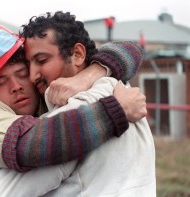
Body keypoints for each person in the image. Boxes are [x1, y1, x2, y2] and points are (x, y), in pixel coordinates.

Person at [0, 21, 147, 196]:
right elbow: (35, 144)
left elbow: (131, 49)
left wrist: (91, 74)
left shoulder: (53, 92)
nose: (17, 86)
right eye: (0, 81)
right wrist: (117, 109)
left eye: (22, 72)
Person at [17, 11, 155, 196]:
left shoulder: (76, 108)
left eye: (42, 60)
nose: (33, 76)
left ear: (78, 54)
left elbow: (23, 160)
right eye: (28, 65)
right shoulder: (119, 86)